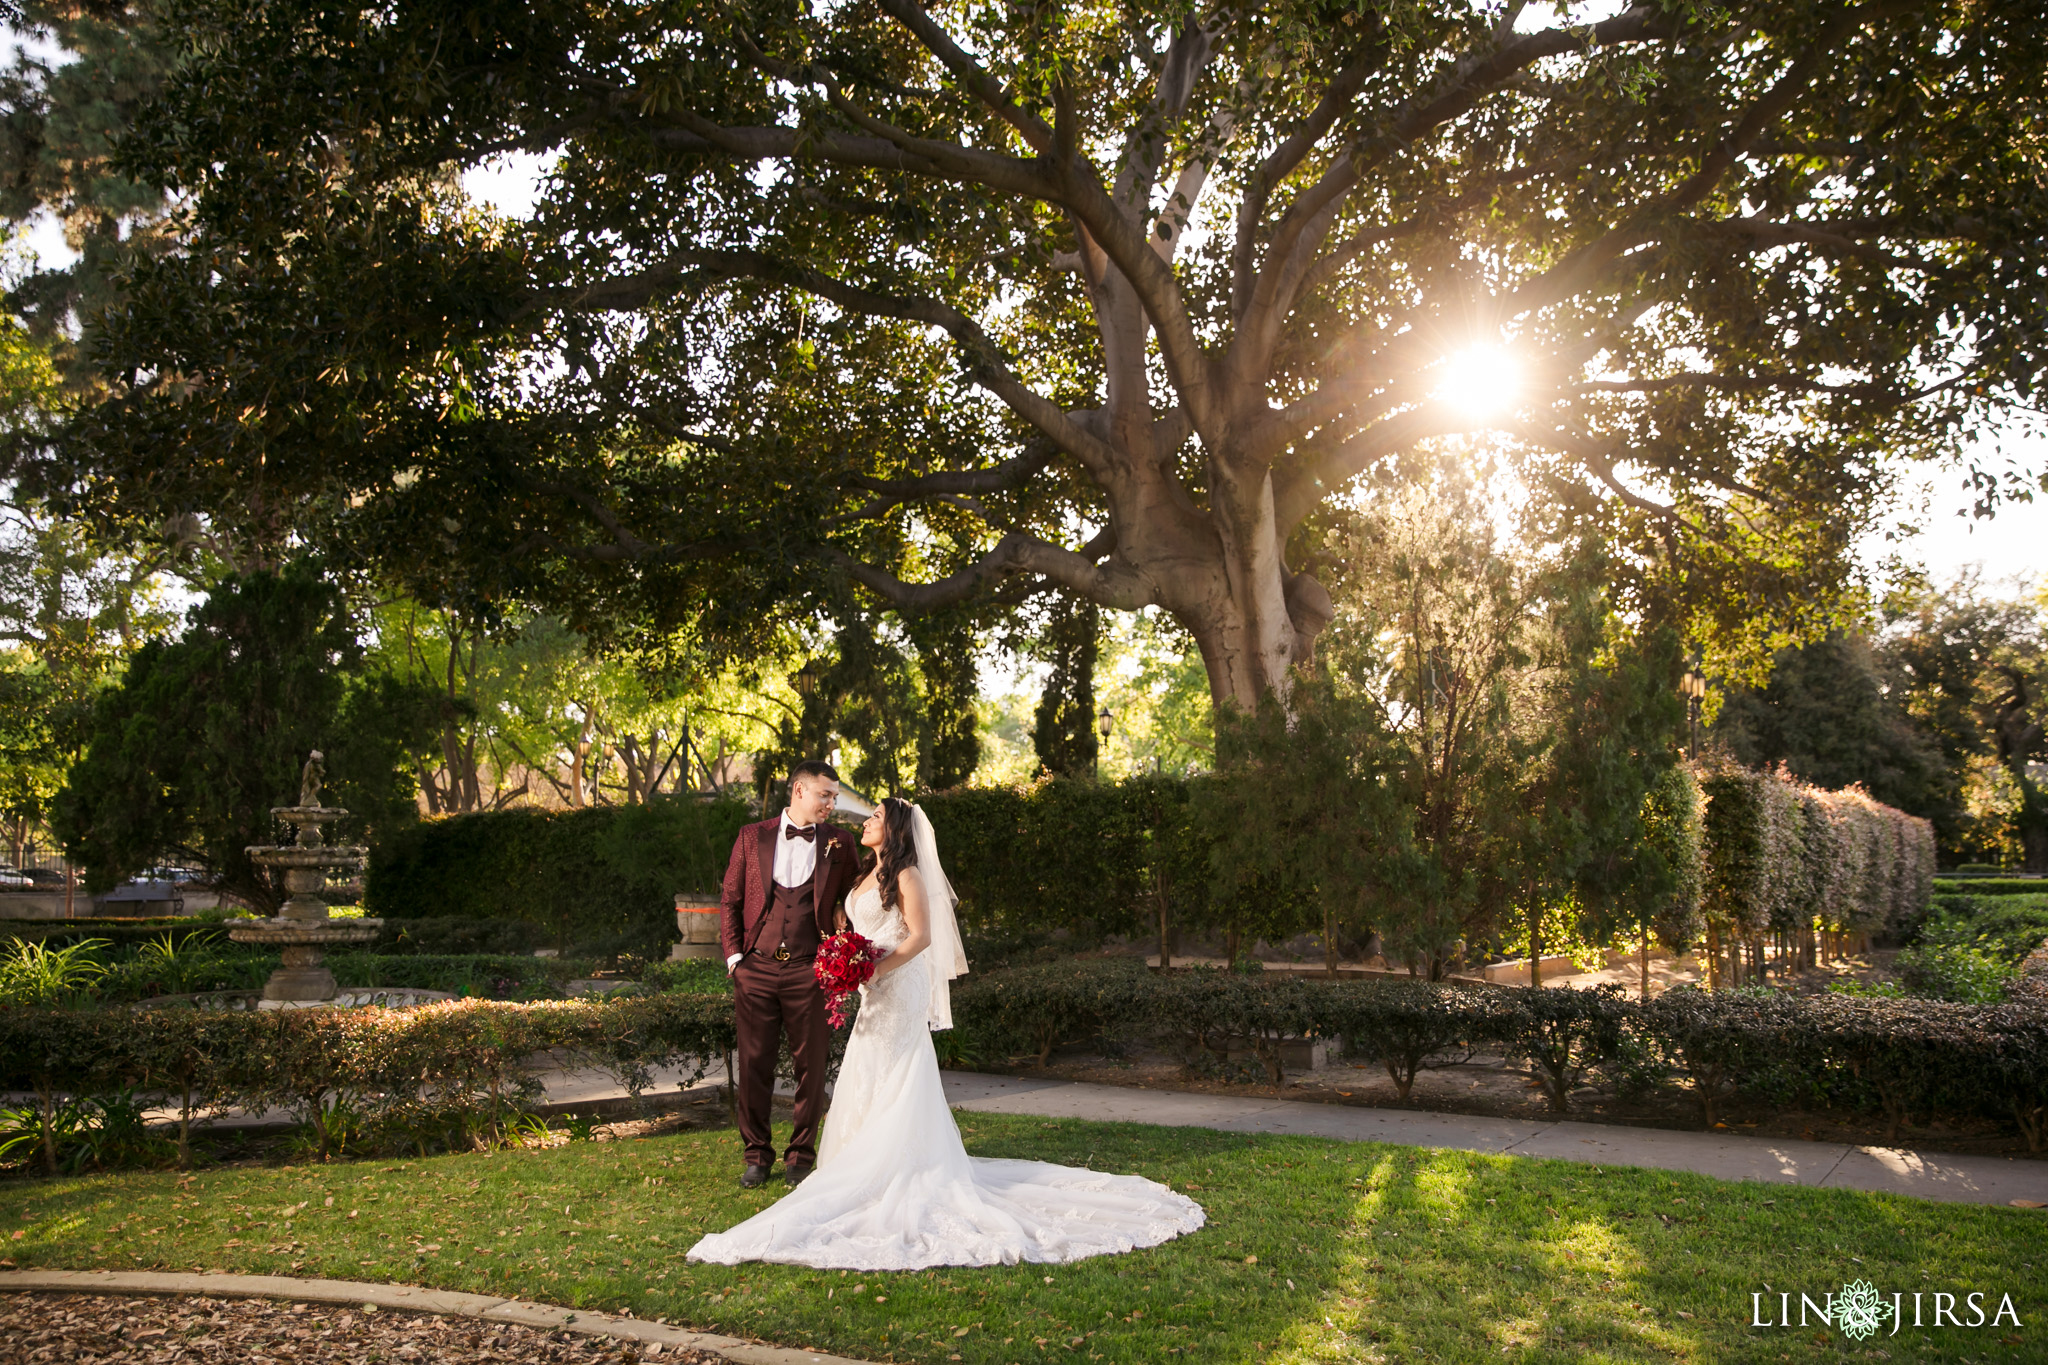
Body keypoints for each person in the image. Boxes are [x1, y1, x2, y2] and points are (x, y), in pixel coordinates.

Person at [689, 796, 1204, 1269]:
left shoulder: (908, 874)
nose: (863, 822)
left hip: (897, 983)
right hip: (872, 988)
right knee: (868, 1069)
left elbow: (921, 938)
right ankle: (859, 1165)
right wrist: (846, 962)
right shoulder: (868, 872)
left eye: (873, 817)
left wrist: (870, 967)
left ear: (893, 828)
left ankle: (893, 1168)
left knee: (897, 1070)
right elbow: (852, 927)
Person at [718, 759, 863, 1189]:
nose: (831, 804)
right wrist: (735, 960)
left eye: (834, 797)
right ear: (799, 791)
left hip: (811, 970)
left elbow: (858, 894)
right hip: (756, 969)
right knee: (754, 1065)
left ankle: (801, 1156)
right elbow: (729, 899)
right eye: (825, 795)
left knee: (811, 1069)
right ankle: (756, 1157)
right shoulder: (751, 837)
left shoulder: (840, 842)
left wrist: (843, 917)